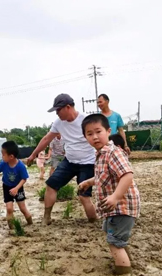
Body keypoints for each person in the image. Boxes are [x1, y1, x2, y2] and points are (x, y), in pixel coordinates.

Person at [78, 114, 140, 275]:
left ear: (108, 131)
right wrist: (88, 182)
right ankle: (126, 262)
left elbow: (127, 175)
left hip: (121, 206)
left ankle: (124, 271)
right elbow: (102, 176)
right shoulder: (101, 154)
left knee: (115, 242)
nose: (95, 137)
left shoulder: (113, 152)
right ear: (85, 137)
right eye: (89, 134)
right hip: (113, 208)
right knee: (113, 235)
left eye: (98, 131)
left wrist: (115, 197)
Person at [27, 93, 97, 225]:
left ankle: (93, 221)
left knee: (83, 196)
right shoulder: (58, 123)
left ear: (68, 107)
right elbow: (47, 138)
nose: (57, 113)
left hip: (87, 162)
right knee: (50, 185)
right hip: (69, 161)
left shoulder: (86, 120)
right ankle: (46, 217)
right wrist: (33, 154)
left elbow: (98, 138)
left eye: (58, 110)